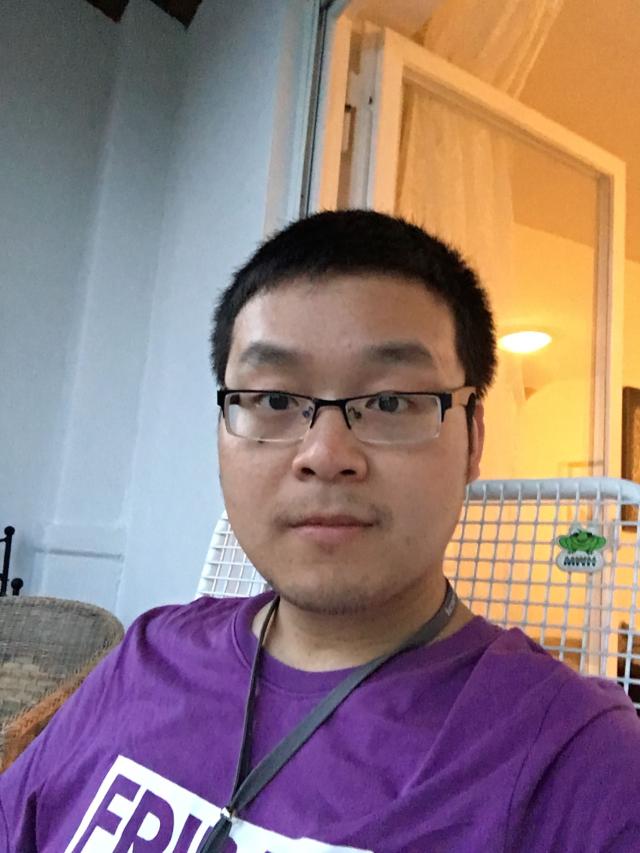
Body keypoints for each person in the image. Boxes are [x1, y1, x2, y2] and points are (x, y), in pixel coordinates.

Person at [1, 210, 639, 853]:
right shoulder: (148, 654)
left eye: (390, 401)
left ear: (473, 438)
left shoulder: (578, 763)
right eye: (276, 400)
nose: (326, 454)